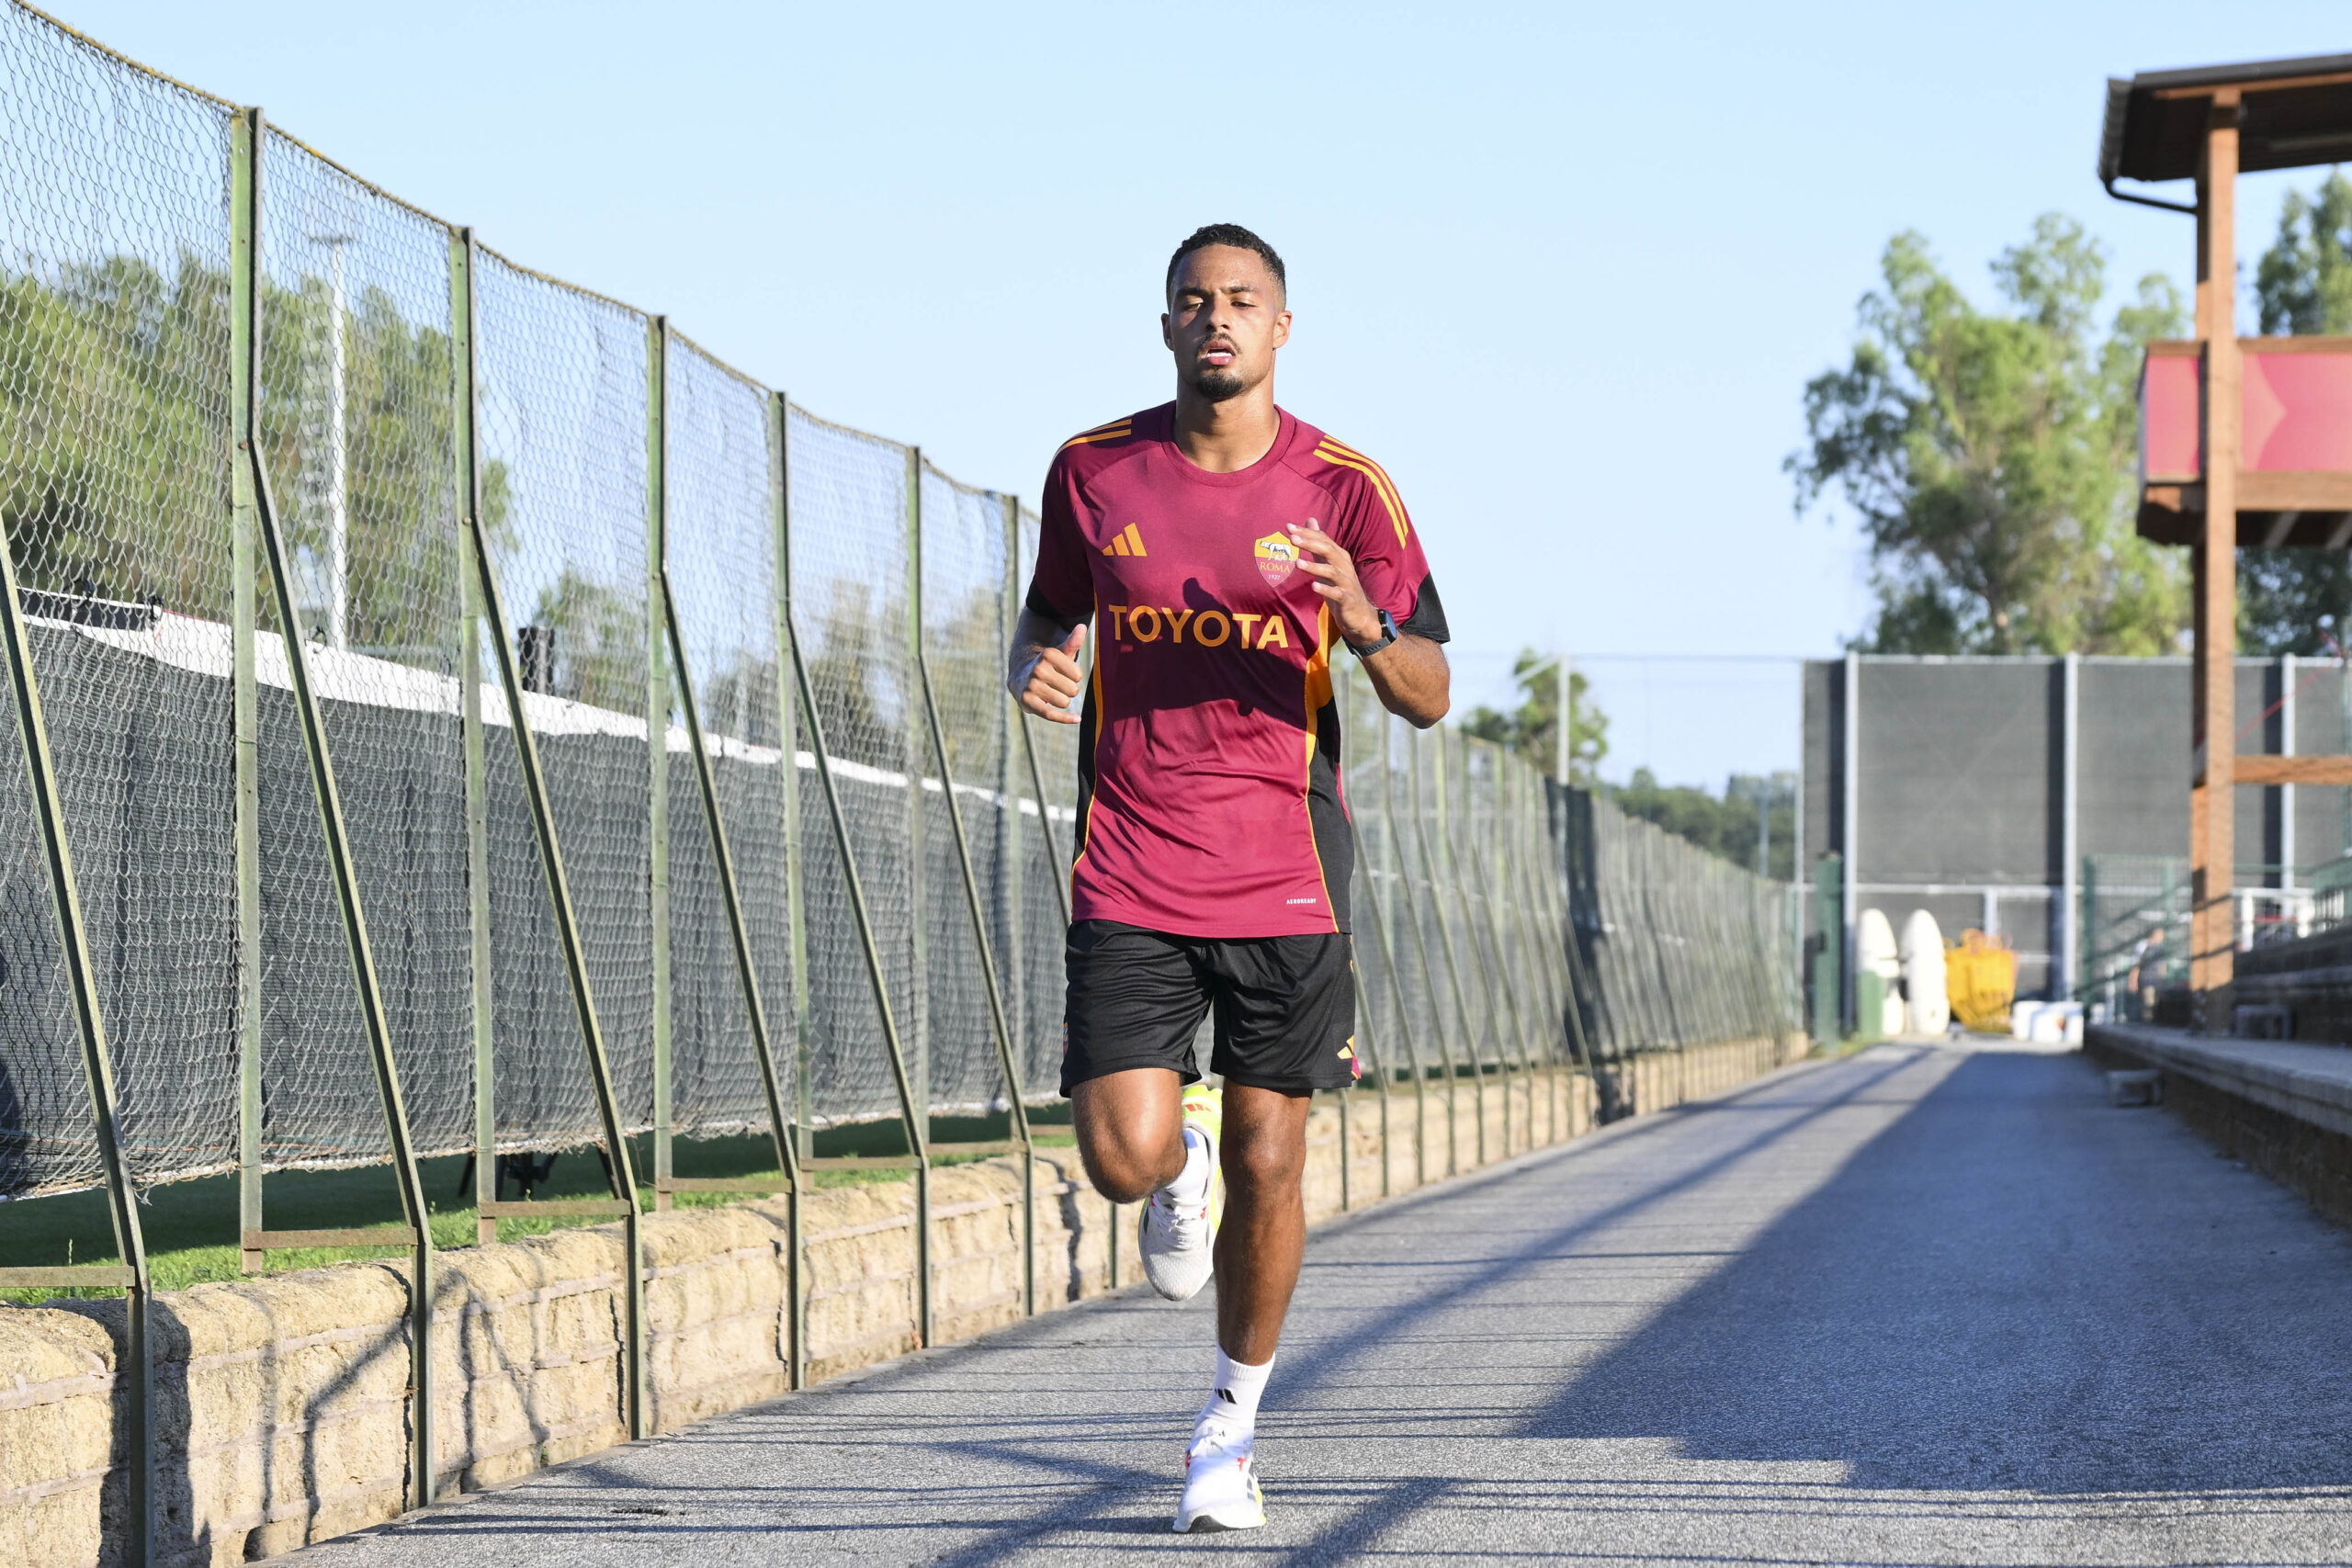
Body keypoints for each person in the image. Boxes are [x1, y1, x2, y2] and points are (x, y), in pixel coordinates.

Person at [1005, 223, 1452, 1532]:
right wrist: (1034, 662)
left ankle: (1228, 1429)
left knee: (1274, 1158)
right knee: (1121, 1159)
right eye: (1195, 300)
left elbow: (1430, 690)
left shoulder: (1348, 489)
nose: (1218, 319)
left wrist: (1362, 621)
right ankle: (1175, 1154)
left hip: (1285, 868)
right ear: (1166, 326)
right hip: (1132, 856)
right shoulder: (1093, 469)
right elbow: (1048, 608)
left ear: (1281, 328)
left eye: (1243, 301)